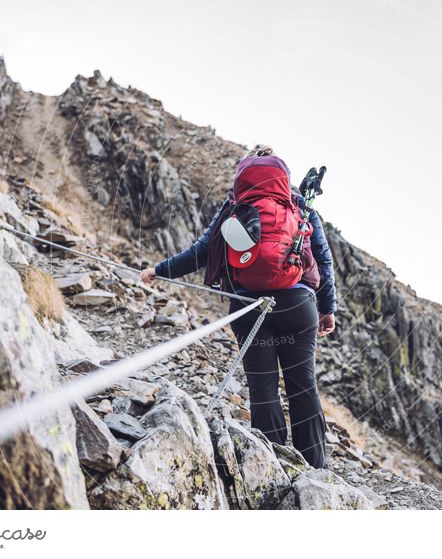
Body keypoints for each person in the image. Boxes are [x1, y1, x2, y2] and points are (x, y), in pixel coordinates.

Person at [140, 146, 336, 469]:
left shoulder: (235, 207)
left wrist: (160, 271)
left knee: (263, 387)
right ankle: (315, 470)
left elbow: (202, 251)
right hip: (298, 304)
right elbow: (323, 259)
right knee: (303, 386)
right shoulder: (299, 205)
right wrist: (328, 308)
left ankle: (272, 466)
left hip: (249, 304)